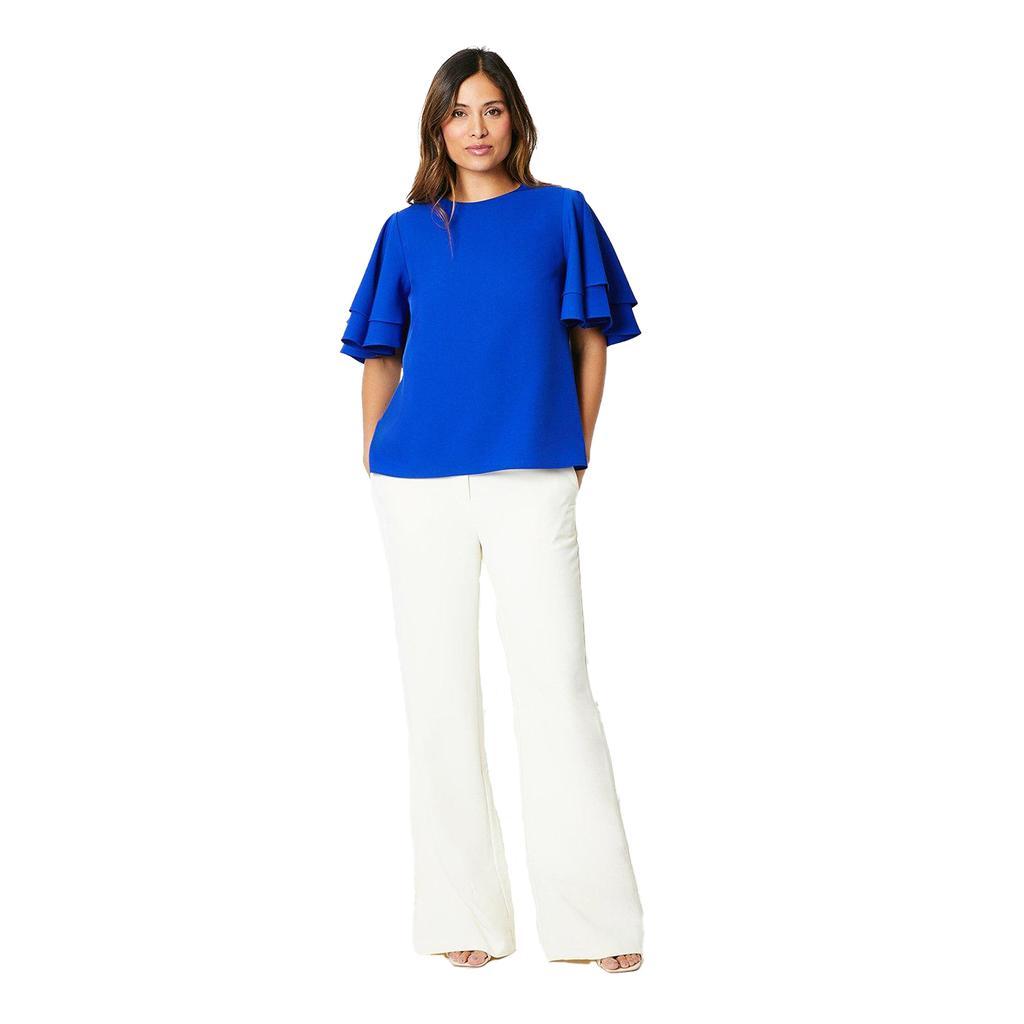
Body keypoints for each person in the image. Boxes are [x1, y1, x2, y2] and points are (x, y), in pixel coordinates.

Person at [339, 47, 644, 974]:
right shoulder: (406, 232)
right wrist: (374, 456)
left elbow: (591, 342)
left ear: (516, 118)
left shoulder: (561, 213)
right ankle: (462, 916)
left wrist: (575, 453)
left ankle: (595, 924)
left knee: (557, 688)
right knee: (437, 693)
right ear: (437, 127)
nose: (477, 127)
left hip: (532, 473)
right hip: (416, 484)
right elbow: (379, 355)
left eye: (493, 109)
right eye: (459, 112)